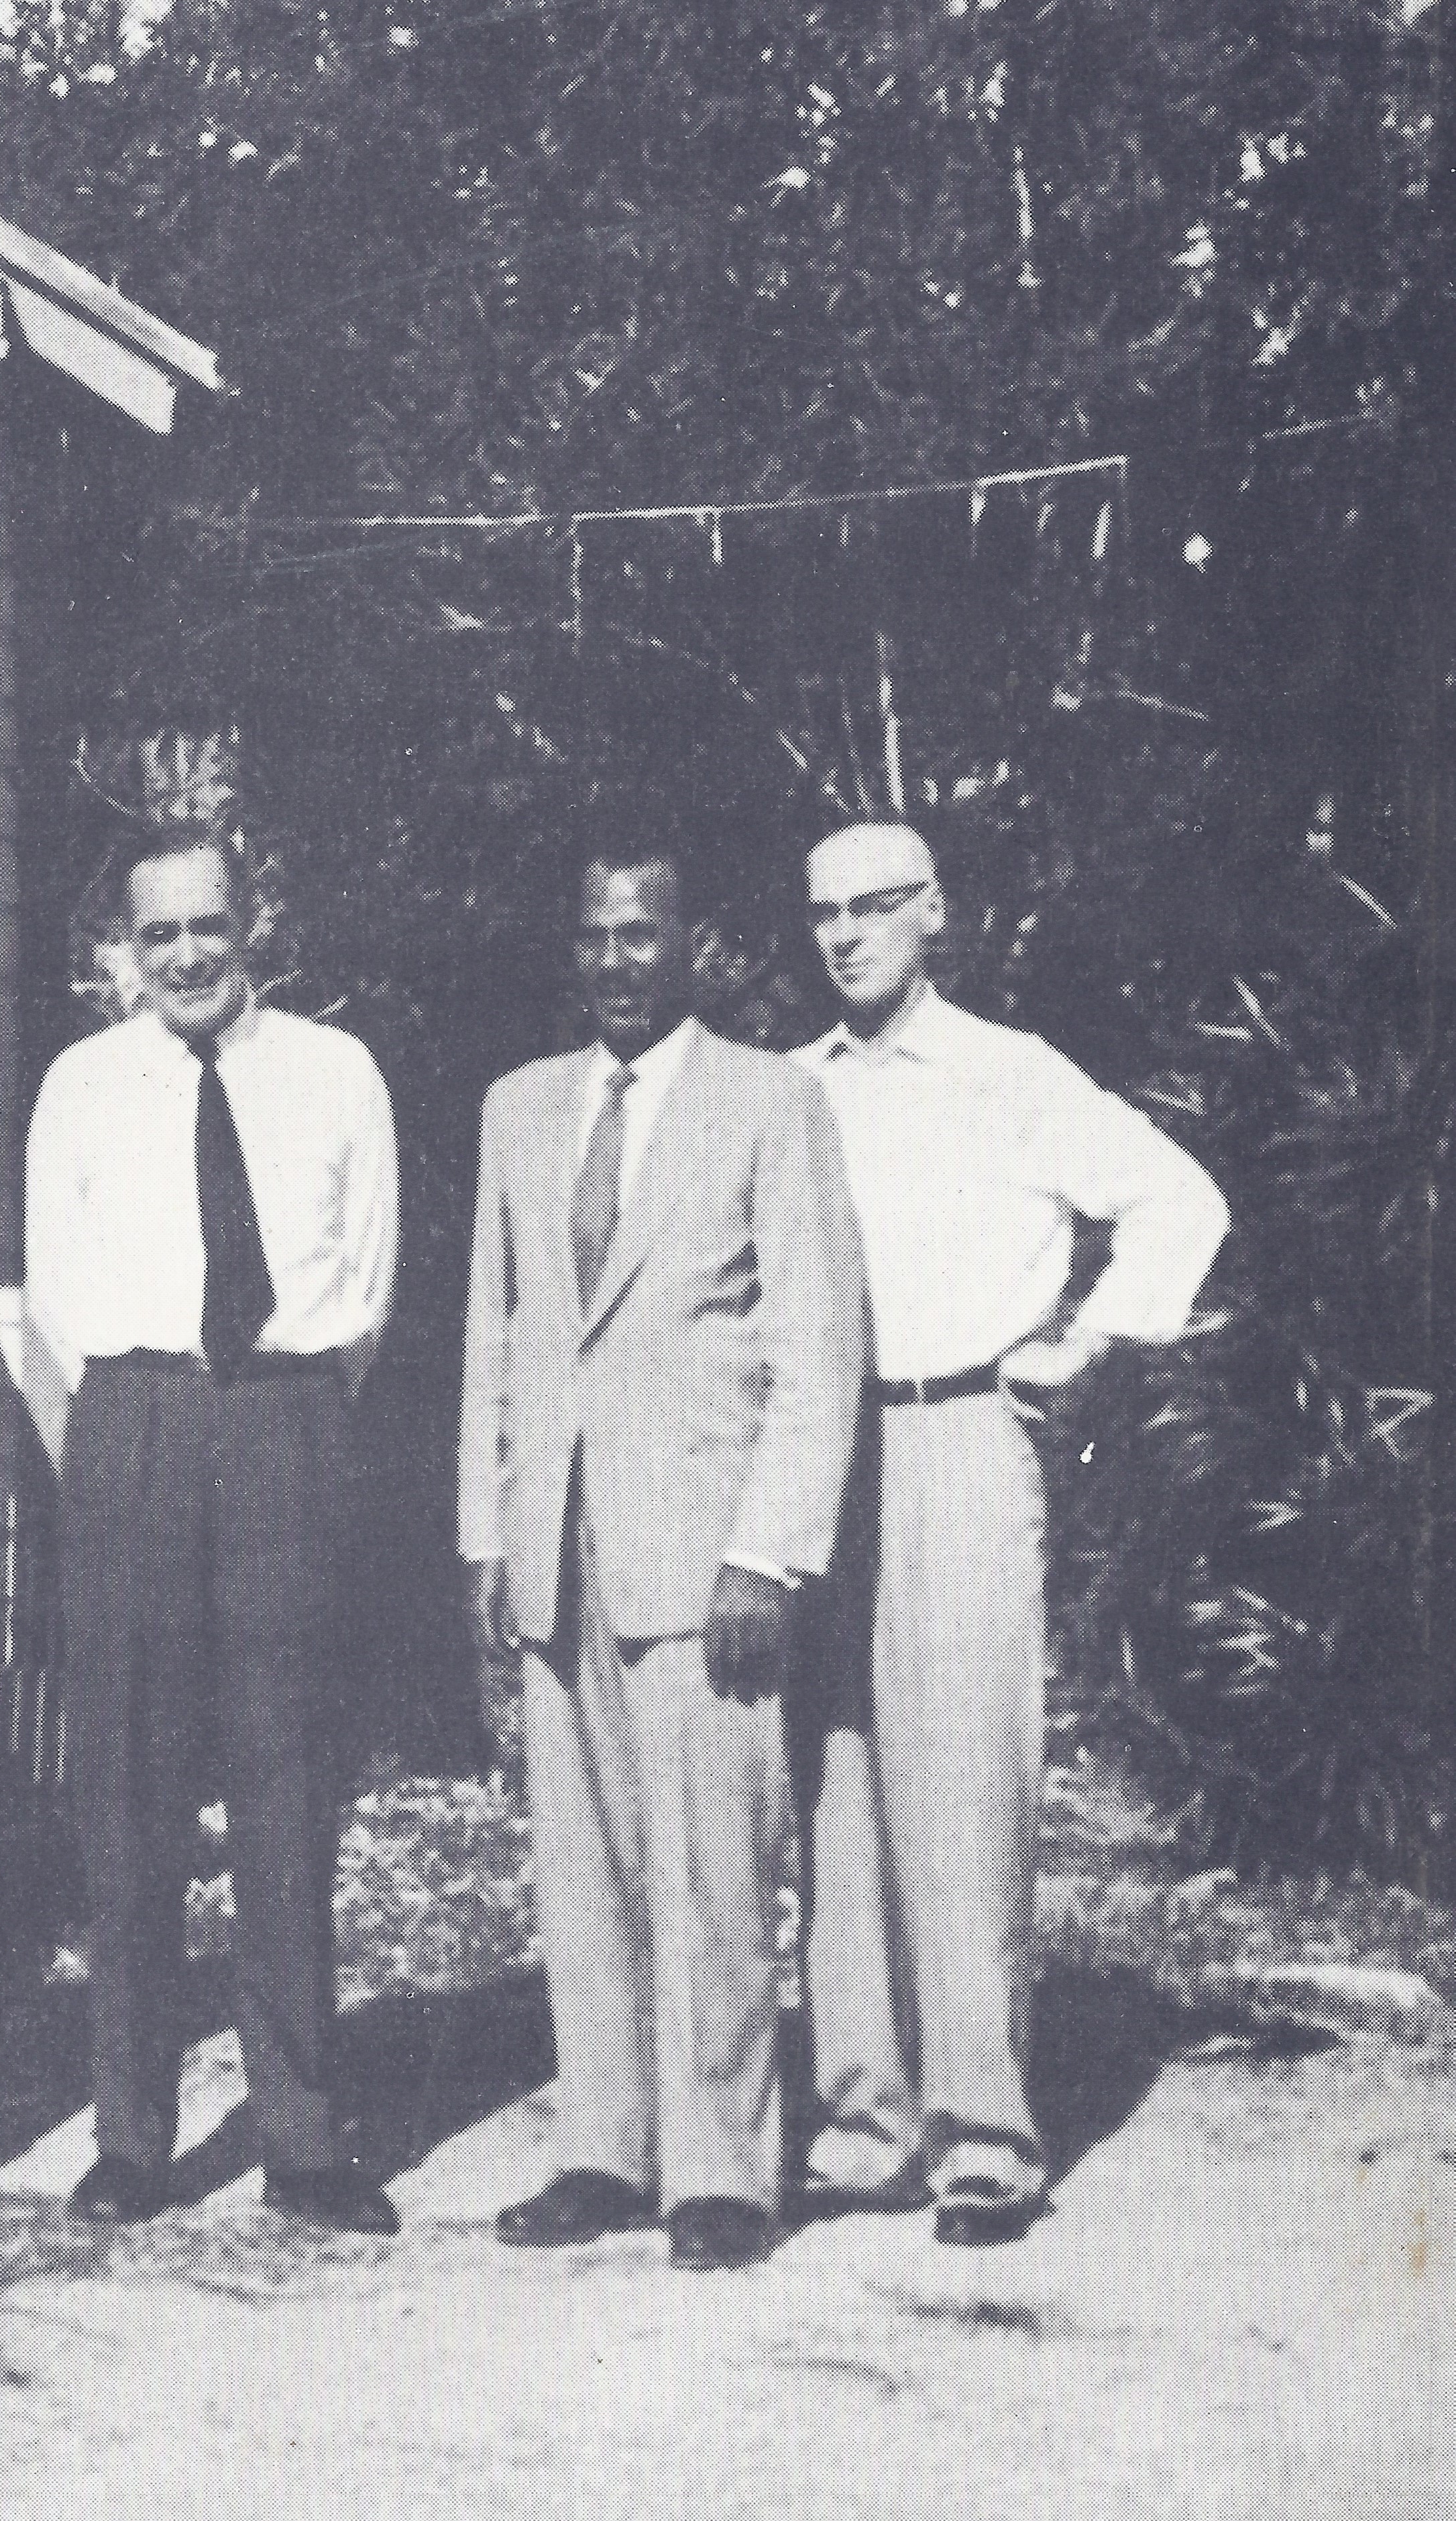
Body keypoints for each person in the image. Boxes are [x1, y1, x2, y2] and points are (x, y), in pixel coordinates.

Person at [793, 820, 1227, 2246]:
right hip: (816, 1455)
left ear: (933, 913)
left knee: (969, 1781)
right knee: (834, 1783)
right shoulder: (788, 1092)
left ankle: (981, 2137)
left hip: (962, 1441)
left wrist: (1087, 1345)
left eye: (874, 906)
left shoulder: (1005, 1072)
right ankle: (862, 2125)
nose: (846, 934)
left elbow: (1179, 1199)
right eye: (823, 914)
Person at [459, 834, 865, 2272]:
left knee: (715, 1876)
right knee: (581, 1877)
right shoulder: (521, 1109)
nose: (615, 962)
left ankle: (723, 2174)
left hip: (704, 1562)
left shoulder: (771, 1103)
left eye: (640, 934)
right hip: (556, 1550)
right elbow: (495, 1343)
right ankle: (604, 2151)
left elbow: (819, 1350)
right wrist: (485, 1537)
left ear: (691, 943)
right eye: (593, 936)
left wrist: (767, 1555)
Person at [23, 828, 401, 2235]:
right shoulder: (80, 1086)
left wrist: (275, 1414)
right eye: (156, 932)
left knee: (286, 1783)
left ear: (255, 924)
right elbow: (56, 1297)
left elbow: (362, 1286)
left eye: (208, 925)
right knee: (126, 1790)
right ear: (123, 947)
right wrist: (130, 1442)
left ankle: (304, 2134)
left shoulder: (334, 1073)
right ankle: (133, 2135)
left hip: (285, 1423)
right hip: (133, 1423)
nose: (184, 954)